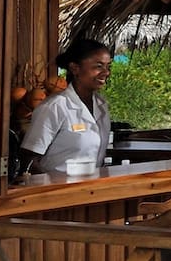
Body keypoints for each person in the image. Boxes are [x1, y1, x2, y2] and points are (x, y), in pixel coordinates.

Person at [20, 38, 112, 177]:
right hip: (58, 193)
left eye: (107, 66)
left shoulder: (101, 105)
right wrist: (54, 187)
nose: (106, 73)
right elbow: (29, 160)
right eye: (98, 66)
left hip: (91, 190)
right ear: (75, 68)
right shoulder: (55, 106)